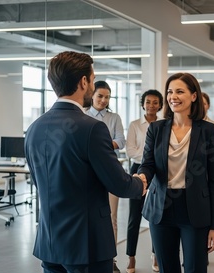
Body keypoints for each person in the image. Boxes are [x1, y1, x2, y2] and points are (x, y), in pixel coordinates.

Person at [24, 51, 145, 273]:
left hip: (49, 244)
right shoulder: (92, 128)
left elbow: (40, 181)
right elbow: (119, 184)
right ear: (83, 81)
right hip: (86, 245)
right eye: (92, 78)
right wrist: (139, 182)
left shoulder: (34, 129)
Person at [138, 72, 214, 273]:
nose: (173, 96)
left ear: (194, 96)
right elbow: (148, 163)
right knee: (167, 268)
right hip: (161, 208)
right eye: (170, 91)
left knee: (195, 268)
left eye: (179, 91)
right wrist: (141, 176)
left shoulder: (208, 130)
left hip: (195, 208)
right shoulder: (156, 129)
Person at [85, 80, 126, 272]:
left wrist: (99, 146)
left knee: (111, 217)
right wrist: (104, 144)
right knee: (88, 216)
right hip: (87, 172)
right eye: (100, 96)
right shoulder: (83, 115)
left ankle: (112, 260)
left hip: (110, 170)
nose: (103, 100)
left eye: (107, 97)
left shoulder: (114, 117)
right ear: (92, 95)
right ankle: (89, 257)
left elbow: (121, 141)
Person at [125, 89, 164, 273]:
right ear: (143, 104)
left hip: (160, 173)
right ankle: (131, 257)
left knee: (158, 216)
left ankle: (156, 254)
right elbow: (130, 151)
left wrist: (154, 160)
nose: (151, 105)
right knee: (135, 216)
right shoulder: (134, 125)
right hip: (138, 171)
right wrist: (151, 158)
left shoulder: (165, 125)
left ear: (160, 105)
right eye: (148, 102)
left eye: (155, 102)